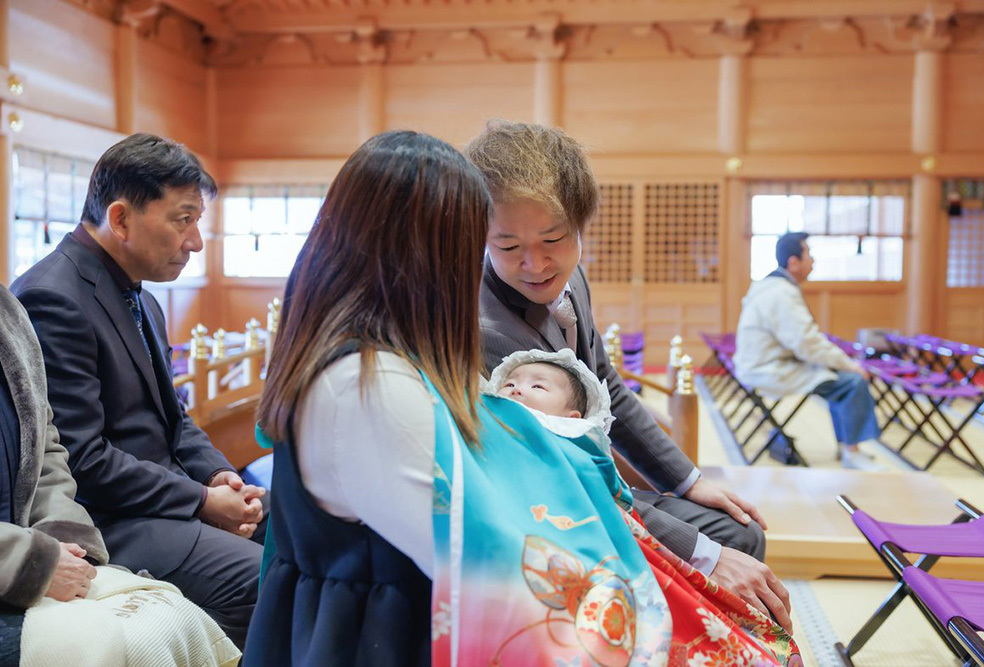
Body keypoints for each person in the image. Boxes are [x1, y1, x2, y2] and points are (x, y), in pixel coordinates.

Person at [246, 130, 799, 666]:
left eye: (550, 241)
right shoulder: (373, 383)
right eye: (491, 245)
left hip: (492, 546)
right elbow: (488, 554)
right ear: (421, 257)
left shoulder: (387, 354)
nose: (517, 264)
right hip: (394, 618)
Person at [467, 119, 791, 628]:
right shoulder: (487, 328)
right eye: (508, 247)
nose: (535, 263)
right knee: (727, 545)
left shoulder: (573, 280)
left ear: (579, 226)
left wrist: (688, 481)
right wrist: (704, 555)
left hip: (589, 481)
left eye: (553, 238)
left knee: (740, 530)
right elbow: (556, 474)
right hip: (553, 508)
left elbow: (606, 387)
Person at [11, 133, 265, 649]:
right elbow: (81, 459)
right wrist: (201, 501)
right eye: (183, 220)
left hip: (163, 502)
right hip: (110, 519)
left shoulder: (141, 295)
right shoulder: (51, 297)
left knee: (305, 535)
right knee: (264, 578)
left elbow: (176, 419)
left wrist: (219, 476)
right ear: (121, 218)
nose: (196, 241)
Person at [0, 284, 239, 667]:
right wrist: (33, 563)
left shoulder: (8, 312)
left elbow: (45, 447)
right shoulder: (54, 295)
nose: (193, 250)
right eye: (183, 224)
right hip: (44, 548)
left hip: (46, 543)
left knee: (176, 616)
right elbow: (89, 458)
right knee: (139, 641)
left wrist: (65, 539)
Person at [733, 232, 882, 471]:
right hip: (769, 369)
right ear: (794, 262)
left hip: (762, 364)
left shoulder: (769, 286)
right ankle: (852, 452)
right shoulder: (780, 292)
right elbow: (807, 343)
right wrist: (850, 364)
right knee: (852, 382)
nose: (813, 261)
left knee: (837, 378)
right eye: (809, 255)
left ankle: (847, 447)